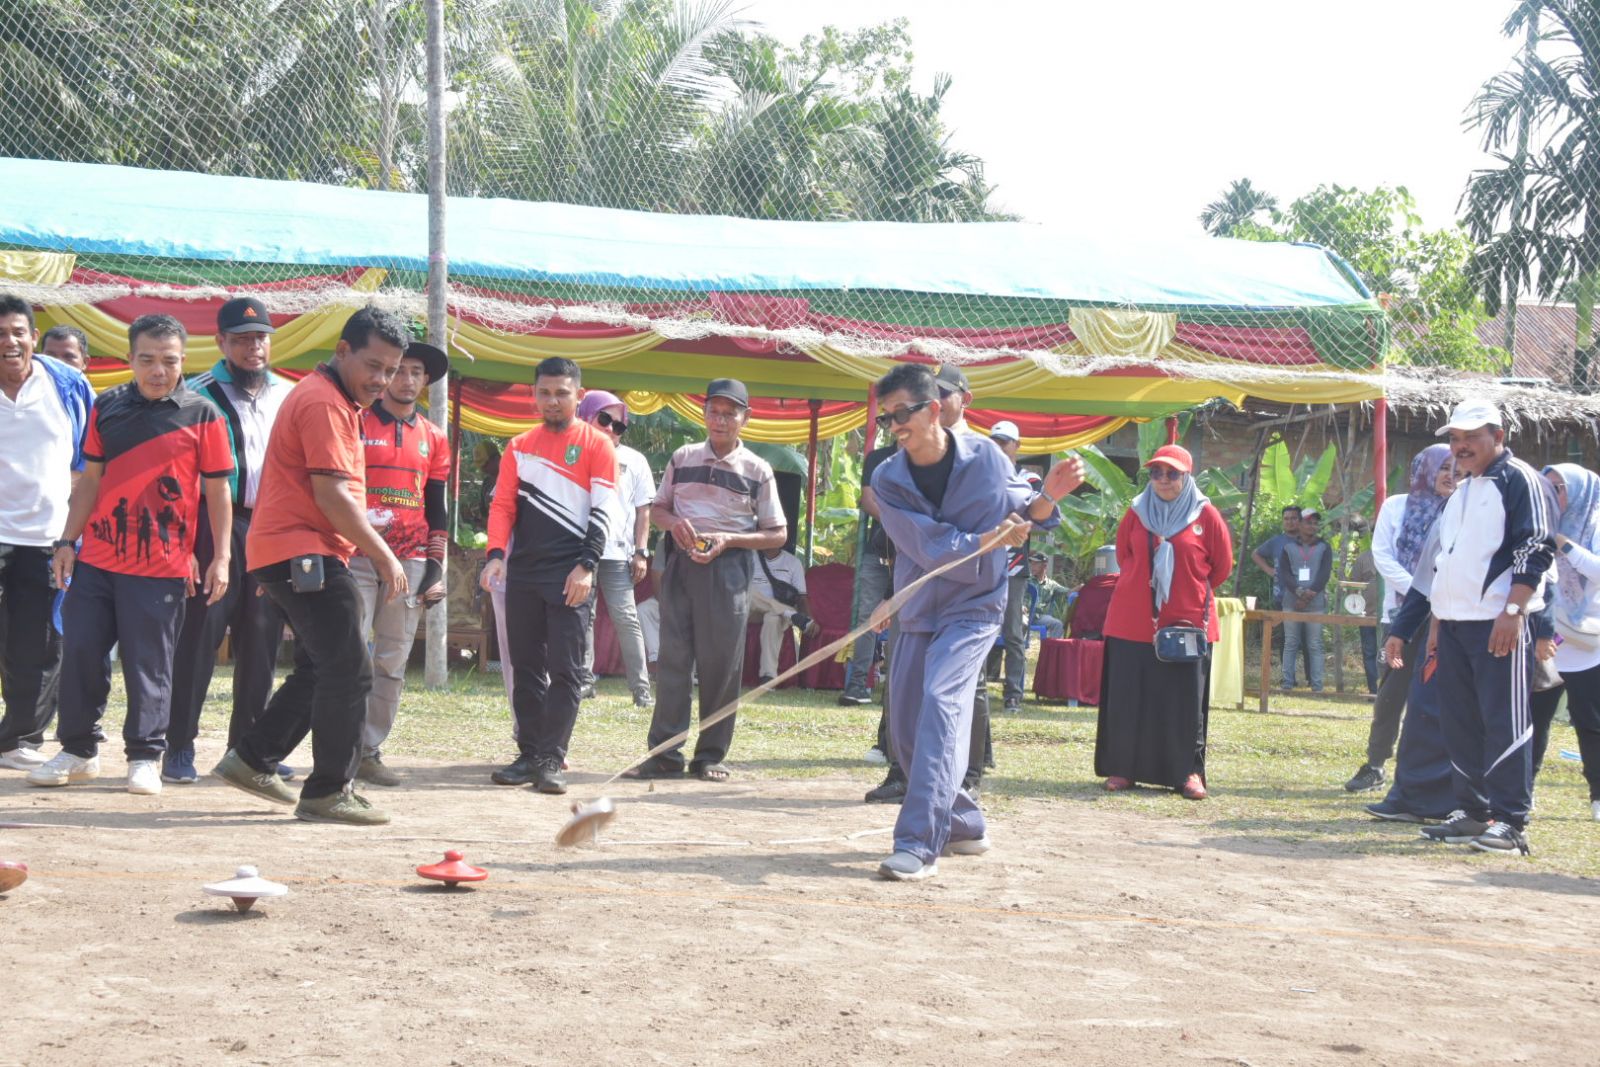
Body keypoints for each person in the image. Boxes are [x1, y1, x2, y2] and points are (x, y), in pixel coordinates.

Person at [866, 363, 1082, 880]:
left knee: (943, 701)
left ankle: (918, 843)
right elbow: (925, 544)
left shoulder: (986, 456)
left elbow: (1022, 508)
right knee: (906, 731)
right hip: (917, 607)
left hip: (974, 608)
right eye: (887, 418)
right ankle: (963, 820)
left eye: (904, 413)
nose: (895, 426)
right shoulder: (887, 479)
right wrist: (985, 540)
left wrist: (1048, 497)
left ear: (934, 409)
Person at [211, 306, 411, 826]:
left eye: (390, 370)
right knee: (350, 667)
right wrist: (384, 555)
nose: (381, 380)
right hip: (304, 549)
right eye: (373, 365)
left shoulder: (334, 399)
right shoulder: (324, 402)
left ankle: (253, 757)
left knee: (322, 666)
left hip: (293, 551)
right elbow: (333, 496)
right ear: (342, 351)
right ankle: (329, 791)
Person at [27, 313, 234, 796]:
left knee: (149, 663)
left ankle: (145, 755)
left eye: (169, 361)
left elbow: (218, 493)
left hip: (162, 567)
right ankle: (78, 751)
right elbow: (91, 481)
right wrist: (65, 542)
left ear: (184, 361)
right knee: (80, 653)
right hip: (96, 559)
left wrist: (220, 556)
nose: (158, 370)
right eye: (147, 360)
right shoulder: (108, 406)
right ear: (130, 359)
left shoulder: (204, 414)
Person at [1383, 400, 1553, 855]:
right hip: (1455, 625)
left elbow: (1535, 547)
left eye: (1471, 437)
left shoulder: (1520, 479)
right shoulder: (1461, 493)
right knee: (1459, 721)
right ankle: (1474, 811)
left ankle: (1511, 821)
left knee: (1504, 719)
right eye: (1455, 439)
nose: (1461, 447)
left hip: (1499, 623)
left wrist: (1513, 613)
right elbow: (1434, 567)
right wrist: (1405, 627)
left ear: (1497, 437)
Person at [628, 378, 786, 782]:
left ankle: (710, 756)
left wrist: (729, 539)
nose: (721, 420)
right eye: (714, 411)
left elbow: (777, 534)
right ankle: (664, 755)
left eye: (730, 413)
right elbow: (658, 508)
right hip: (680, 564)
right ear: (704, 414)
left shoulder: (757, 469)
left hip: (728, 568)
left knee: (720, 665)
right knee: (674, 660)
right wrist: (675, 523)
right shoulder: (682, 458)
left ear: (745, 419)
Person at [165, 297, 293, 785]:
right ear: (220, 342)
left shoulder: (290, 395)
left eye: (259, 337)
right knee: (199, 636)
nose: (252, 347)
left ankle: (248, 750)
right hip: (212, 527)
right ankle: (178, 746)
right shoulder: (194, 394)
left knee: (261, 638)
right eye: (240, 339)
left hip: (272, 526)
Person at [480, 358, 616, 794]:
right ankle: (528, 752)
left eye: (561, 392)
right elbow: (503, 505)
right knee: (525, 666)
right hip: (523, 573)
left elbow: (604, 509)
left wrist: (587, 566)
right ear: (533, 395)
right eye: (545, 392)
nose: (553, 401)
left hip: (571, 573)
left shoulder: (598, 444)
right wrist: (496, 555)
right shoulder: (519, 445)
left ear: (579, 394)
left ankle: (552, 758)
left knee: (567, 668)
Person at [1095, 444, 1234, 800]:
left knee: (1183, 701)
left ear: (1187, 477)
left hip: (1187, 623)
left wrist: (1182, 589)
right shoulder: (1137, 513)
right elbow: (1126, 557)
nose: (1163, 480)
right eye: (1156, 473)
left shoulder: (1206, 516)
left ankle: (1187, 772)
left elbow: (1220, 568)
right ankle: (1122, 768)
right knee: (1128, 697)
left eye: (1172, 474)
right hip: (1132, 621)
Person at [350, 340, 451, 788]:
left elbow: (437, 505)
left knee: (391, 659)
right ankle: (337, 747)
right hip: (354, 553)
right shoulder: (356, 422)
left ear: (426, 381)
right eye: (400, 371)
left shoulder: (435, 437)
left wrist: (435, 564)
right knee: (347, 654)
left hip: (409, 559)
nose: (407, 380)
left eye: (416, 372)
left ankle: (369, 750)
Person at [0, 294, 91, 773]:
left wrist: (71, 534)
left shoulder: (68, 385)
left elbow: (90, 461)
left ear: (34, 337)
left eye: (17, 332)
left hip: (47, 537)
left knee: (36, 641)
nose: (9, 342)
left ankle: (19, 738)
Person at [1345, 445, 1454, 793]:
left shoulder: (1462, 510)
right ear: (1425, 470)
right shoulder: (1396, 506)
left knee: (1442, 694)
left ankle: (1435, 772)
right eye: (1444, 467)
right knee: (1392, 691)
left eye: (1456, 467)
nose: (1451, 475)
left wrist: (1440, 598)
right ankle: (1375, 764)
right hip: (1403, 616)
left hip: (1450, 616)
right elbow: (1383, 557)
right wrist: (1424, 594)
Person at [577, 389, 655, 708]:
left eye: (618, 425)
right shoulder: (572, 452)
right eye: (605, 419)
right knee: (582, 615)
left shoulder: (634, 460)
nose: (611, 429)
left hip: (616, 553)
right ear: (585, 417)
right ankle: (583, 681)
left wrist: (641, 551)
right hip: (579, 551)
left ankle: (641, 690)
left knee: (626, 617)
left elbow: (643, 510)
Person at [1534, 463, 1600, 821]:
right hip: (1545, 640)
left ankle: (1598, 796)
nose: (1553, 493)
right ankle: (1522, 791)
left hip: (1588, 644)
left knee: (1591, 723)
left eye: (1560, 487)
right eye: (1548, 486)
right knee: (1534, 719)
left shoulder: (1595, 525)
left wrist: (1564, 544)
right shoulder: (1536, 526)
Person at [988, 420, 1043, 713]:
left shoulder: (1028, 479)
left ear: (1017, 445)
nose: (999, 446)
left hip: (1014, 567)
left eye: (1005, 441)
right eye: (995, 441)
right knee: (976, 626)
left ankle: (1013, 695)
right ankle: (977, 686)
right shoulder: (981, 475)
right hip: (983, 564)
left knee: (1012, 632)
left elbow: (1032, 517)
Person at [840, 436, 898, 706]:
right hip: (879, 552)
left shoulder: (929, 458)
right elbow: (867, 499)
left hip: (913, 557)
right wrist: (897, 522)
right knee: (867, 617)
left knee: (906, 619)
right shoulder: (878, 458)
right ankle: (857, 683)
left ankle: (898, 688)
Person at [1277, 508, 1331, 692]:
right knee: (1291, 643)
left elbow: (1324, 574)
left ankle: (1317, 686)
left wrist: (1309, 595)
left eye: (1315, 523)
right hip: (1291, 603)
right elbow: (1284, 574)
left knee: (1315, 644)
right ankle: (1287, 683)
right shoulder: (1287, 547)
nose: (1312, 526)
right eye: (1308, 522)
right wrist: (1300, 592)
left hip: (1315, 604)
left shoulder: (1324, 547)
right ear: (1299, 524)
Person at [749, 544, 819, 683]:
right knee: (746, 591)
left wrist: (808, 619)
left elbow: (801, 597)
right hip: (751, 611)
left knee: (772, 618)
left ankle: (768, 676)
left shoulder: (793, 562)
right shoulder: (748, 557)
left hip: (777, 616)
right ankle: (789, 613)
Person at [1252, 505, 1302, 609]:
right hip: (1282, 596)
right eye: (1286, 519)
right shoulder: (1276, 541)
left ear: (1300, 520)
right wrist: (1269, 570)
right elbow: (1256, 554)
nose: (1289, 522)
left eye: (1293, 518)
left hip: (1305, 598)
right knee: (1283, 624)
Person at [1028, 553, 1068, 639]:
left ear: (1044, 566)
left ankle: (1051, 649)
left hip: (1039, 617)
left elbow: (1068, 592)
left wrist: (1082, 587)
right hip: (1024, 614)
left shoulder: (1052, 584)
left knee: (1058, 624)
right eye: (1031, 563)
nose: (1032, 566)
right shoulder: (1026, 581)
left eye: (1036, 564)